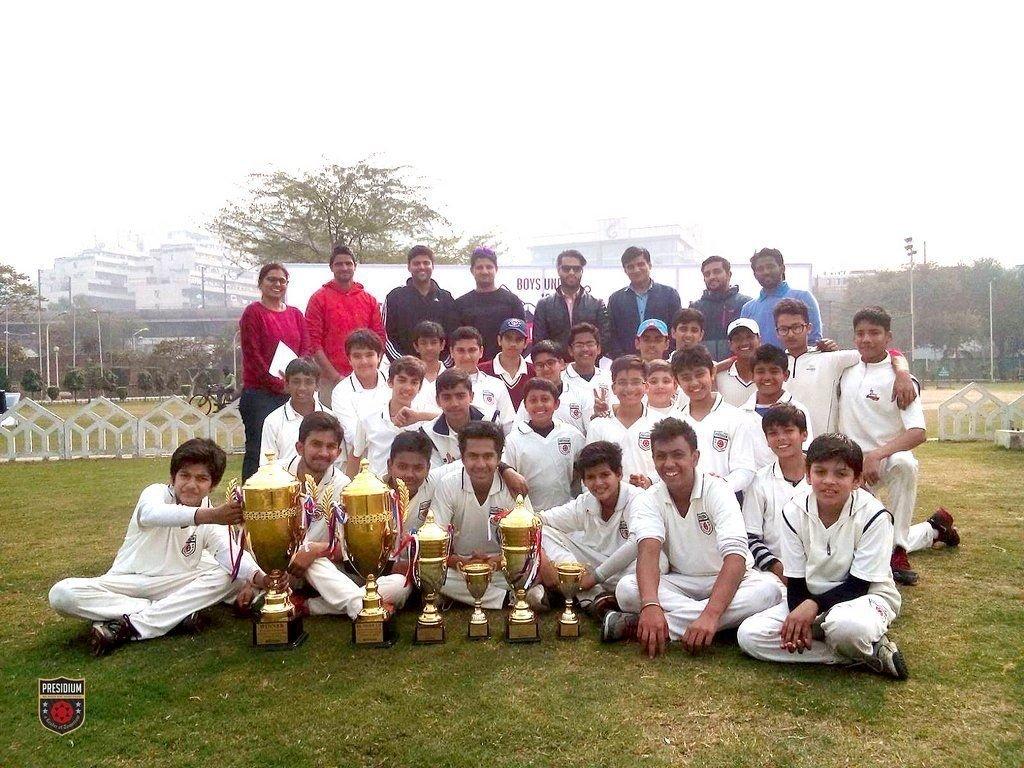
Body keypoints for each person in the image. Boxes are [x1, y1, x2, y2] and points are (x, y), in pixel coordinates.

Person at [48, 439, 264, 656]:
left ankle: (133, 624)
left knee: (231, 574)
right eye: (185, 476)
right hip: (129, 582)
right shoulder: (156, 493)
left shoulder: (209, 512)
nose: (191, 485)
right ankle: (173, 615)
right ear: (173, 477)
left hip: (174, 584)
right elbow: (150, 514)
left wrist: (263, 578)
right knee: (62, 594)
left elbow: (229, 553)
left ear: (213, 484)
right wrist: (210, 516)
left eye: (201, 478)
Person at [601, 418, 781, 654]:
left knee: (769, 591)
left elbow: (736, 557)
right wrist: (651, 604)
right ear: (653, 459)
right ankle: (717, 624)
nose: (669, 463)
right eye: (661, 456)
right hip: (682, 582)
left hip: (733, 580)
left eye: (677, 454)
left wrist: (710, 614)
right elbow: (648, 550)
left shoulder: (718, 490)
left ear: (694, 457)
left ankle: (650, 626)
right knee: (627, 589)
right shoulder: (649, 498)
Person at [736, 434, 908, 679]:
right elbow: (795, 581)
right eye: (820, 472)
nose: (829, 481)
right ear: (808, 475)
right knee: (750, 635)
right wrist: (802, 614)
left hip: (865, 597)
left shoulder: (874, 515)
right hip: (810, 597)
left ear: (857, 479)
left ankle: (852, 642)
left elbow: (859, 584)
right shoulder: (793, 511)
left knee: (846, 628)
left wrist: (811, 608)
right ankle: (862, 655)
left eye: (841, 474)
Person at [836, 306, 958, 586]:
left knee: (905, 463)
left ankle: (899, 550)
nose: (867, 339)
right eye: (860, 334)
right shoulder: (845, 369)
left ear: (888, 337)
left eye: (874, 333)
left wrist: (878, 454)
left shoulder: (902, 379)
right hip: (851, 464)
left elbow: (918, 432)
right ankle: (933, 530)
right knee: (860, 543)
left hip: (886, 459)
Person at [274, 413, 410, 620]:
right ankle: (364, 608)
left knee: (400, 585)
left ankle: (307, 606)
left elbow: (349, 548)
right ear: (299, 447)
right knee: (308, 558)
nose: (323, 452)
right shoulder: (274, 476)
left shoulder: (344, 486)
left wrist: (315, 550)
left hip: (326, 574)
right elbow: (251, 533)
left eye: (330, 447)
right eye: (316, 444)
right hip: (281, 569)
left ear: (338, 452)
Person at [536, 441, 655, 620]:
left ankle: (582, 595)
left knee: (629, 587)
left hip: (629, 569)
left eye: (605, 475)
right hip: (596, 568)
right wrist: (543, 560)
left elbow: (636, 544)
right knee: (544, 533)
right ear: (583, 481)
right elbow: (540, 520)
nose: (598, 483)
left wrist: (594, 578)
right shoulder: (584, 502)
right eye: (591, 477)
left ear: (619, 473)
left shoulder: (638, 499)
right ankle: (594, 598)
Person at [772, 298, 917, 436]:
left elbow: (880, 352)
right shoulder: (773, 366)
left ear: (808, 328)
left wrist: (902, 372)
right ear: (777, 332)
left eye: (797, 327)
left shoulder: (831, 358)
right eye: (784, 329)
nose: (790, 334)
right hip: (788, 448)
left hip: (824, 450)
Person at [433, 421, 522, 609]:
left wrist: (494, 562)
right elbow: (435, 541)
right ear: (462, 458)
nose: (481, 464)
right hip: (459, 567)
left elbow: (524, 544)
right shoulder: (448, 484)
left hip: (502, 567)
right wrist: (461, 562)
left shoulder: (512, 486)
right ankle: (506, 598)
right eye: (473, 456)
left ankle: (465, 596)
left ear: (499, 458)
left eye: (488, 456)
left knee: (526, 568)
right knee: (428, 571)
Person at [238, 262, 310, 481]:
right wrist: (280, 385)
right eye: (271, 279)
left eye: (282, 280)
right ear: (261, 283)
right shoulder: (253, 313)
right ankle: (251, 503)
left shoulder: (296, 315)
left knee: (295, 446)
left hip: (293, 393)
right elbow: (253, 355)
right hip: (261, 394)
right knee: (259, 451)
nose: (277, 284)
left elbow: (305, 350)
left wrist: (295, 385)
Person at [671, 346, 756, 494]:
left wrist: (722, 485)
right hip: (684, 503)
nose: (694, 383)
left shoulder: (736, 417)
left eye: (699, 374)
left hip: (725, 502)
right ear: (677, 381)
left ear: (712, 372)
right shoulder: (673, 421)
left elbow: (745, 469)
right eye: (686, 378)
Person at [305, 244, 387, 399]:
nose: (344, 267)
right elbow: (313, 343)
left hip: (365, 379)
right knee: (331, 423)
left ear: (355, 266)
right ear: (331, 267)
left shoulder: (369, 300)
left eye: (348, 263)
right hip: (331, 380)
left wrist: (369, 371)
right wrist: (335, 377)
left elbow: (379, 339)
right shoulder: (318, 299)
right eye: (339, 264)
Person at [741, 404, 809, 581]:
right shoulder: (759, 481)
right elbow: (750, 537)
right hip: (773, 574)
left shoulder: (822, 477)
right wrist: (778, 569)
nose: (781, 438)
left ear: (804, 435)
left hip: (818, 568)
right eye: (773, 433)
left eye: (788, 431)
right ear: (766, 439)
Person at [502, 378, 584, 511]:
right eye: (533, 400)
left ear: (556, 403)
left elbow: (584, 470)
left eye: (545, 399)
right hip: (529, 515)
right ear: (525, 405)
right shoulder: (514, 440)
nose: (539, 405)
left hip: (566, 514)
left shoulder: (571, 435)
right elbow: (504, 469)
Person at [348, 356, 434, 477]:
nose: (408, 387)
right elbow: (356, 455)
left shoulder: (425, 417)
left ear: (419, 387)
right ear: (390, 382)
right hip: (378, 489)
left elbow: (451, 418)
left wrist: (419, 417)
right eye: (402, 380)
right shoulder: (368, 417)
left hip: (414, 487)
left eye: (414, 382)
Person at [585, 356, 657, 487]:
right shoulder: (598, 425)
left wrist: (649, 481)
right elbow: (589, 468)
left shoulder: (659, 423)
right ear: (613, 388)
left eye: (636, 382)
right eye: (622, 382)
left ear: (646, 386)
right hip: (611, 502)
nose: (629, 388)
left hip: (653, 499)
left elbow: (667, 465)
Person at [739, 345, 814, 468]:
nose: (767, 377)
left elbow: (805, 451)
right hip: (751, 485)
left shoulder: (798, 410)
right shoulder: (740, 414)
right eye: (760, 371)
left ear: (785, 375)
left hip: (790, 481)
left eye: (774, 371)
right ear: (752, 375)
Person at [383, 244, 459, 362]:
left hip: (441, 374)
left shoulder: (446, 298)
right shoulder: (395, 297)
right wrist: (404, 365)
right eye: (416, 263)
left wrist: (445, 366)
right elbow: (386, 337)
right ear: (409, 267)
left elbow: (454, 337)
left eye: (426, 263)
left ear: (432, 266)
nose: (422, 267)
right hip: (406, 372)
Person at [607, 246, 682, 359]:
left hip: (663, 364)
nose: (636, 270)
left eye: (640, 264)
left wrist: (665, 357)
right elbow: (612, 335)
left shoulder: (669, 295)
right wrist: (624, 360)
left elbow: (676, 330)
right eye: (630, 267)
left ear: (650, 265)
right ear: (625, 270)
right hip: (628, 365)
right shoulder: (616, 299)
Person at [740, 248, 823, 349]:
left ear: (782, 268)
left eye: (770, 266)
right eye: (760, 269)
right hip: (761, 364)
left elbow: (815, 340)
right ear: (755, 274)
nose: (766, 272)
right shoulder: (748, 308)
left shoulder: (803, 297)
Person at [420, 368, 501, 467]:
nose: (454, 404)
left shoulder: (490, 420)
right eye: (447, 397)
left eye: (460, 396)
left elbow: (499, 461)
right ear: (438, 401)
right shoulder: (429, 433)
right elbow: (435, 475)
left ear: (471, 396)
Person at [259, 357, 331, 468]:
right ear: (286, 385)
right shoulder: (273, 421)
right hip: (284, 484)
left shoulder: (331, 419)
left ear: (317, 385)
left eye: (308, 382)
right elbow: (267, 465)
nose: (302, 388)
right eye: (296, 382)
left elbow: (338, 463)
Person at [531, 249, 610, 350]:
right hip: (556, 364)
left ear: (582, 271)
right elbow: (539, 342)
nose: (571, 272)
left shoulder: (597, 304)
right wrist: (558, 362)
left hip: (588, 363)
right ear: (558, 270)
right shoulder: (544, 305)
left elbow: (604, 340)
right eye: (566, 269)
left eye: (576, 269)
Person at [455, 247, 526, 360]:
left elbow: (521, 338)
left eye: (489, 267)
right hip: (471, 365)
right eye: (479, 267)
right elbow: (456, 342)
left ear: (496, 269)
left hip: (505, 368)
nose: (484, 271)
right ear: (472, 270)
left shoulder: (512, 301)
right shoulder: (460, 304)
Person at [331, 330, 391, 459]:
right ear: (349, 360)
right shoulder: (341, 392)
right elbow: (354, 437)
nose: (364, 361)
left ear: (379, 356)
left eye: (369, 355)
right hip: (361, 466)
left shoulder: (394, 382)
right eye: (357, 356)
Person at [514, 340, 593, 435]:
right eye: (540, 365)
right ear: (534, 369)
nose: (546, 369)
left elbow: (591, 433)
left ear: (562, 364)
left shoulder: (582, 395)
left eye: (550, 363)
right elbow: (517, 434)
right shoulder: (530, 401)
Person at [449, 326, 516, 434]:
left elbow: (509, 427)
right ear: (451, 352)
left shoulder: (496, 386)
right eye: (461, 351)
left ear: (481, 351)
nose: (466, 357)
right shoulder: (438, 384)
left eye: (472, 350)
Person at [690, 256, 753, 360]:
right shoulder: (695, 308)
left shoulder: (746, 304)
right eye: (707, 274)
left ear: (729, 274)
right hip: (704, 370)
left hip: (739, 369)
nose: (712, 277)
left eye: (717, 272)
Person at [479, 318, 536, 411]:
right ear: (499, 340)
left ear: (526, 343)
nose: (513, 344)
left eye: (518, 339)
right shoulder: (482, 371)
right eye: (508, 338)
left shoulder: (534, 372)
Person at [563, 322, 612, 405]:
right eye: (579, 345)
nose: (585, 349)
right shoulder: (560, 380)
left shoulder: (609, 378)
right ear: (570, 350)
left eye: (590, 344)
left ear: (599, 349)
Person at [715, 318, 760, 408]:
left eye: (749, 337)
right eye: (737, 339)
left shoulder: (769, 374)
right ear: (730, 345)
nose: (744, 343)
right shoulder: (718, 376)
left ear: (759, 339)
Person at [409, 320, 448, 414]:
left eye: (433, 342)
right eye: (423, 343)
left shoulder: (452, 376)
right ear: (416, 346)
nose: (429, 347)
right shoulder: (407, 378)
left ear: (442, 345)